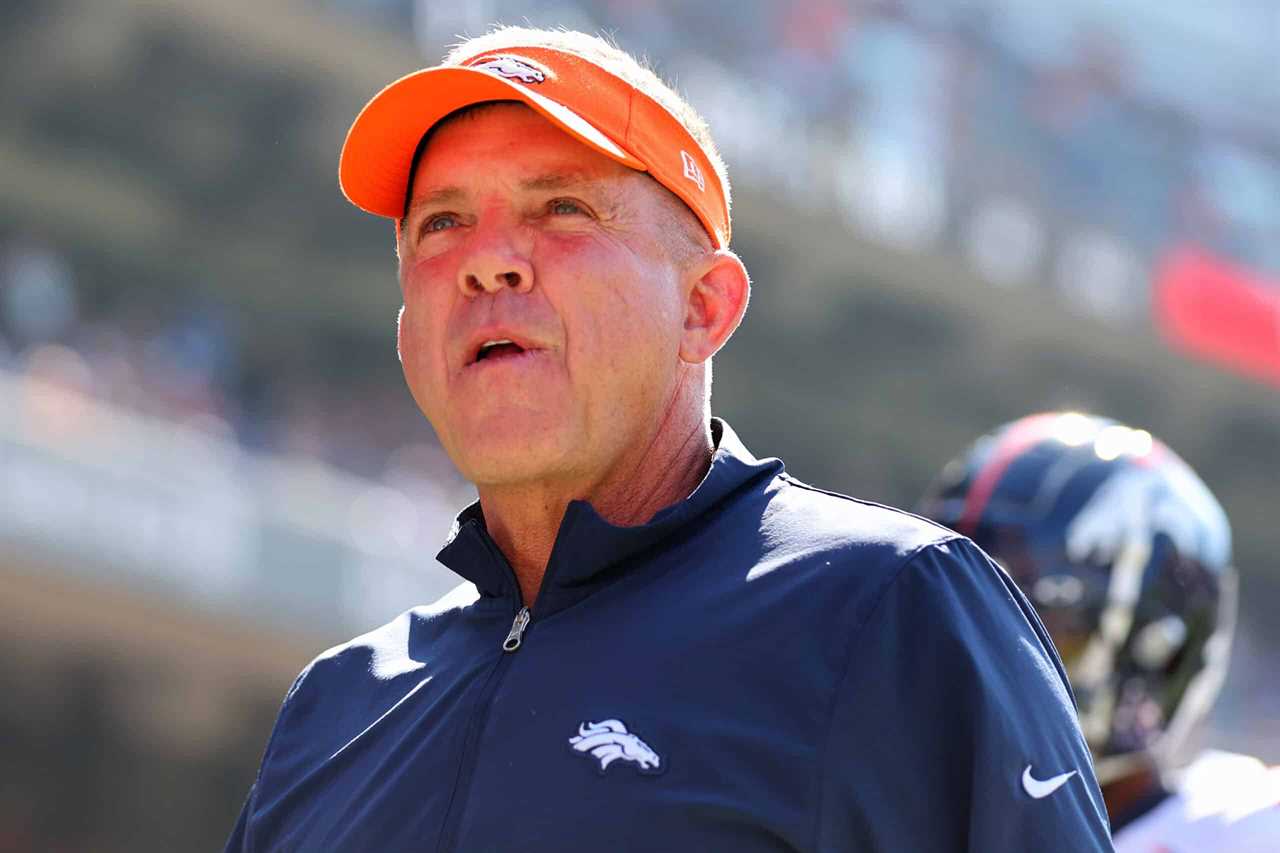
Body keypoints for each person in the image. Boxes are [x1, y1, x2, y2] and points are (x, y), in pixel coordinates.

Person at [225, 27, 1112, 851]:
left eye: (563, 208)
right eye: (442, 223)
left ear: (704, 308)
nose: (487, 259)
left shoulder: (894, 611)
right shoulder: (332, 709)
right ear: (409, 335)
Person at [918, 411, 1280, 851]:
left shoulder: (1236, 832)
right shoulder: (886, 798)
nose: (966, 657)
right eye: (942, 617)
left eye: (1029, 627)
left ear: (1157, 652)